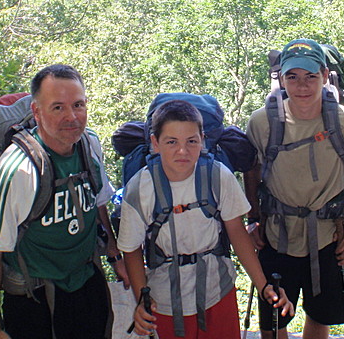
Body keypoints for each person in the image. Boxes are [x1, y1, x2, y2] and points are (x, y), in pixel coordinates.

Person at [117, 99, 294, 339]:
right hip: (165, 300)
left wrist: (263, 285)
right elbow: (131, 250)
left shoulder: (218, 176)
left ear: (202, 140)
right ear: (155, 143)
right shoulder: (140, 188)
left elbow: (237, 232)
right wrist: (142, 299)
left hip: (217, 291)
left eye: (191, 141)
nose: (183, 151)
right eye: (172, 142)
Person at [0, 64, 129, 339]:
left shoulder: (89, 144)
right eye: (58, 107)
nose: (71, 116)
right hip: (34, 295)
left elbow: (99, 199)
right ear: (37, 111)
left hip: (86, 281)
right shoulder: (16, 171)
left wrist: (115, 254)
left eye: (78, 105)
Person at [244, 38, 344, 339]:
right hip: (276, 236)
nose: (301, 86)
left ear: (324, 76)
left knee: (320, 318)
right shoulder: (262, 122)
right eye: (292, 77)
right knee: (273, 325)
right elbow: (251, 171)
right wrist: (253, 219)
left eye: (310, 77)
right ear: (281, 79)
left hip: (328, 238)